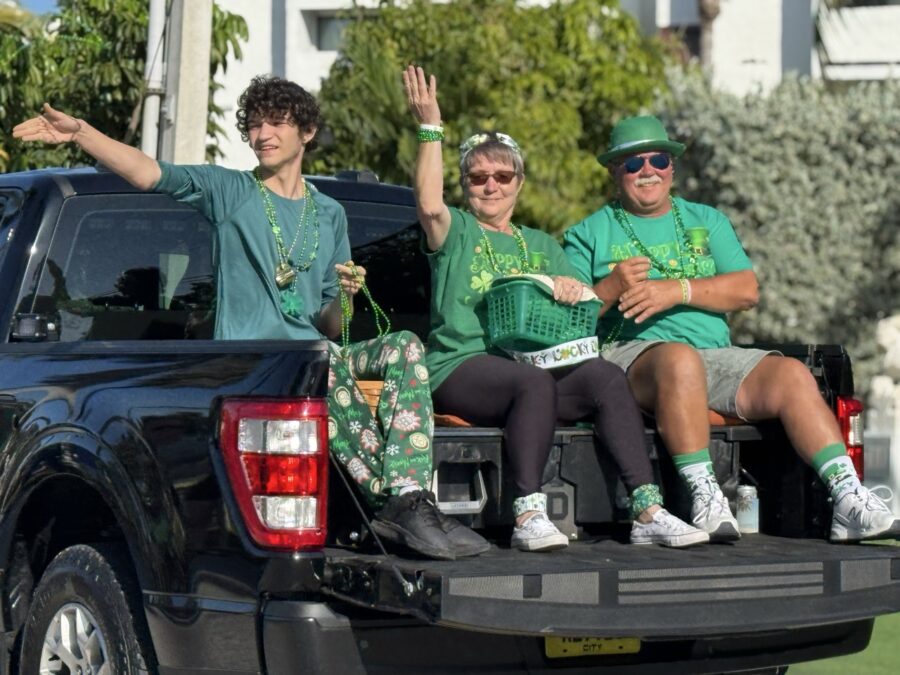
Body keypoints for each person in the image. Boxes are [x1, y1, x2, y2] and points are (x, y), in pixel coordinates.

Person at [13, 75, 489, 560]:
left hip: (318, 356)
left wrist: (344, 298)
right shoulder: (230, 191)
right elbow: (148, 172)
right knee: (324, 368)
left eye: (276, 123)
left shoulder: (329, 214)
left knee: (403, 345)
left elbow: (328, 324)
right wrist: (81, 133)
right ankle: (397, 507)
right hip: (260, 365)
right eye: (255, 125)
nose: (263, 134)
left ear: (306, 132)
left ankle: (408, 496)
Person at [402, 66, 708, 551]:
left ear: (519, 183)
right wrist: (430, 126)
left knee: (605, 376)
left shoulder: (543, 244)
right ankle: (528, 514)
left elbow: (580, 323)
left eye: (502, 175)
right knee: (532, 381)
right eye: (478, 177)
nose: (491, 185)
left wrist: (573, 289)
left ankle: (647, 510)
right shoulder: (455, 229)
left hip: (531, 374)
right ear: (465, 185)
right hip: (459, 367)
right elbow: (428, 203)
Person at [562, 114, 898, 543]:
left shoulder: (707, 220)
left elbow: (746, 289)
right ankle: (707, 496)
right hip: (629, 356)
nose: (647, 171)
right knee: (679, 361)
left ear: (672, 167)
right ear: (614, 172)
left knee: (791, 374)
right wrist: (609, 287)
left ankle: (848, 498)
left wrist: (676, 290)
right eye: (632, 164)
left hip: (712, 356)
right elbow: (567, 325)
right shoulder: (588, 233)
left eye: (658, 160)